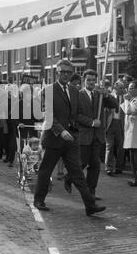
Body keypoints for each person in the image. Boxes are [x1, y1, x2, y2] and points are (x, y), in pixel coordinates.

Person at [33, 59, 106, 216]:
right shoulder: (48, 90)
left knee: (77, 173)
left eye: (68, 72)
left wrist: (99, 96)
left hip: (71, 139)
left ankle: (90, 205)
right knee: (46, 171)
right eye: (63, 72)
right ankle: (39, 200)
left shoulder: (74, 90)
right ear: (57, 73)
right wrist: (60, 130)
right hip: (54, 138)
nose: (66, 75)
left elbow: (78, 113)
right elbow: (48, 113)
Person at [75, 69, 118, 199]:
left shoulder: (99, 95)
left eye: (94, 80)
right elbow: (76, 115)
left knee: (95, 166)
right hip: (84, 135)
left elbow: (115, 105)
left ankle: (91, 193)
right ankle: (69, 178)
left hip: (97, 136)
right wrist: (92, 122)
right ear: (84, 80)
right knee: (81, 163)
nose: (91, 82)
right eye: (89, 80)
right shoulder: (78, 94)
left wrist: (106, 95)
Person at [104, 80, 125, 175]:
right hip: (110, 123)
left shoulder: (126, 98)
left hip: (121, 124)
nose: (121, 89)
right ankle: (108, 167)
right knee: (110, 146)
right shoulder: (109, 96)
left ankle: (119, 167)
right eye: (119, 87)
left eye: (122, 88)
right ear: (115, 88)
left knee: (121, 147)